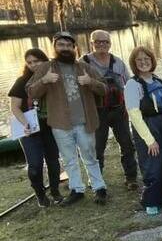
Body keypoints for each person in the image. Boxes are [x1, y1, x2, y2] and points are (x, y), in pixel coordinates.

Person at [26, 31, 109, 207]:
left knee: (90, 156)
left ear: (74, 48)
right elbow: (31, 92)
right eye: (61, 45)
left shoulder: (85, 67)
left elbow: (104, 89)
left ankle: (99, 187)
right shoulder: (45, 68)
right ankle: (76, 189)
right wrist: (45, 81)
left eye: (68, 45)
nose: (65, 48)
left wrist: (91, 83)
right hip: (60, 123)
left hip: (85, 122)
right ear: (55, 47)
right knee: (69, 159)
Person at [125, 46, 162, 216]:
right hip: (148, 125)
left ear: (152, 61)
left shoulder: (159, 79)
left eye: (146, 59)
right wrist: (149, 140)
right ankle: (151, 200)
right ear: (134, 63)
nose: (143, 62)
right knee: (153, 164)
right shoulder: (132, 84)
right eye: (139, 60)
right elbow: (134, 114)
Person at [82, 29, 138, 191]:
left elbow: (128, 84)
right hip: (97, 111)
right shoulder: (83, 62)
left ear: (110, 43)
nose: (102, 44)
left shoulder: (118, 62)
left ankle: (131, 177)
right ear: (91, 43)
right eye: (98, 41)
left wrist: (131, 106)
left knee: (126, 144)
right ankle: (97, 180)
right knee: (98, 147)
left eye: (105, 42)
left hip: (118, 110)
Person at [7, 48, 64, 206]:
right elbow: (15, 107)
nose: (33, 65)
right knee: (35, 165)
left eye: (36, 61)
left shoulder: (53, 77)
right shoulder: (22, 81)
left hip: (50, 126)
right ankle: (40, 194)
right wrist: (25, 123)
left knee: (53, 161)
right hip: (29, 129)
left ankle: (55, 191)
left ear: (44, 60)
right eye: (29, 62)